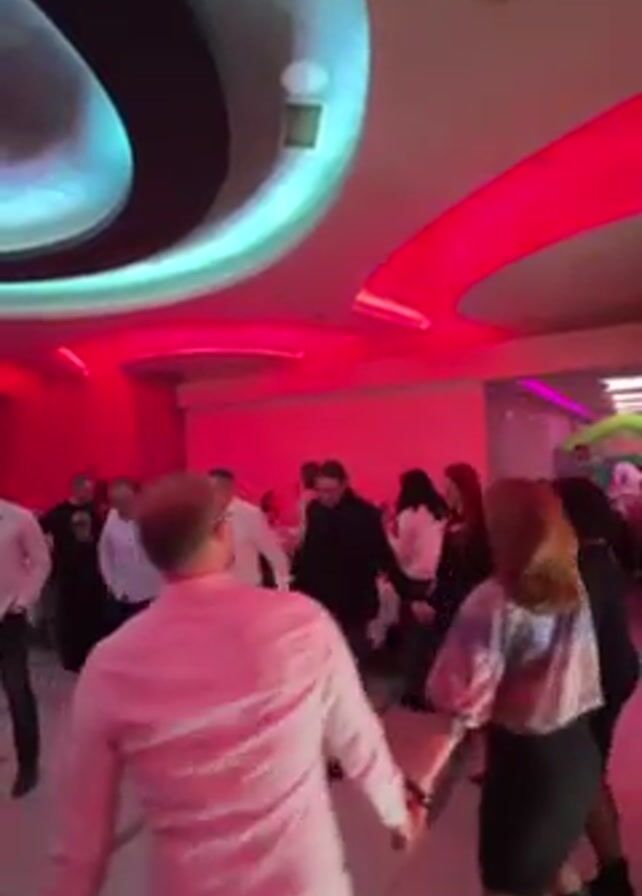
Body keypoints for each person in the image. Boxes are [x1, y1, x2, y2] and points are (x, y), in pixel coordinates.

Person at [44, 473, 422, 896]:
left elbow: (83, 825)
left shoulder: (112, 663)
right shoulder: (300, 623)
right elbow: (356, 736)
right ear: (224, 535)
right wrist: (396, 810)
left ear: (151, 553)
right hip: (302, 880)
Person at [421, 480, 603, 896]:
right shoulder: (571, 583)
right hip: (577, 751)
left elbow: (461, 698)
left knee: (509, 882)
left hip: (527, 764)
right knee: (551, 866)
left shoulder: (493, 600)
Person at [555, 477, 639, 896]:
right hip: (613, 673)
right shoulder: (598, 555)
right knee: (589, 772)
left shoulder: (582, 566)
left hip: (598, 680)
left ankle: (612, 874)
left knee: (584, 774)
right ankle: (613, 872)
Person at [294, 460, 409, 665]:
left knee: (354, 650)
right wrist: (299, 585)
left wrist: (406, 589)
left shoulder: (365, 514)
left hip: (355, 594)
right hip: (323, 593)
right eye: (321, 491)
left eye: (330, 491)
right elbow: (310, 552)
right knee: (323, 652)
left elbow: (382, 552)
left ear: (344, 485)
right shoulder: (315, 510)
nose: (325, 496)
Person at [0, 496, 51, 797]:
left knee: (17, 689)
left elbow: (41, 561)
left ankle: (28, 765)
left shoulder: (18, 518)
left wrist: (23, 600)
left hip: (8, 616)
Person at [388, 469, 448, 706]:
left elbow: (403, 554)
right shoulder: (439, 512)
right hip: (436, 576)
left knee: (413, 640)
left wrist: (387, 535)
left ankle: (414, 691)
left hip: (414, 579)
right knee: (432, 639)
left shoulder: (409, 514)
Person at [41, 474, 103, 659]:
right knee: (68, 615)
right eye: (87, 490)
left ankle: (90, 651)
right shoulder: (59, 512)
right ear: (76, 490)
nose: (90, 494)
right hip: (67, 572)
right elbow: (39, 529)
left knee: (91, 615)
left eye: (91, 491)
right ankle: (71, 655)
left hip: (93, 573)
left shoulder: (96, 512)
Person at [430, 462, 492, 644]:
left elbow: (475, 570)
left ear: (462, 490)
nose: (445, 493)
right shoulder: (455, 525)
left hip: (466, 606)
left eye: (450, 488)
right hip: (456, 604)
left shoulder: (478, 528)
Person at [209, 469, 290, 590]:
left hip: (245, 590)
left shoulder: (250, 515)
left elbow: (275, 554)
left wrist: (283, 589)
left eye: (217, 488)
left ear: (230, 489)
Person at [98, 478, 162, 633]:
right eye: (116, 501)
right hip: (125, 593)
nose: (121, 505)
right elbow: (105, 553)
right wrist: (112, 584)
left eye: (125, 500)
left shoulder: (152, 517)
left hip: (154, 591)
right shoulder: (112, 519)